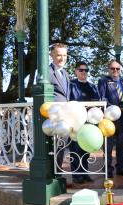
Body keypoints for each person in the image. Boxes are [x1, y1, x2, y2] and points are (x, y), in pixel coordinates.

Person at [98, 60, 123, 177]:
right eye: (112, 68)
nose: (115, 71)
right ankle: (108, 170)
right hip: (109, 120)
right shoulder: (103, 81)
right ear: (108, 69)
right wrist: (117, 109)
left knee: (122, 146)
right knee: (108, 147)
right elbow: (102, 99)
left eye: (117, 69)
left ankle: (121, 168)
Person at [69, 61, 100, 184]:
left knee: (86, 149)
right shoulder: (71, 85)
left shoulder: (92, 86)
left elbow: (97, 102)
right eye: (81, 70)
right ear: (76, 71)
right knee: (75, 149)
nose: (83, 72)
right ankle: (77, 175)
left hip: (89, 122)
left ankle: (85, 173)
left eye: (86, 70)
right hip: (75, 122)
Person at [49, 43, 70, 174]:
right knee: (54, 147)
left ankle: (59, 171)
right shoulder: (47, 72)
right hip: (53, 117)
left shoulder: (65, 73)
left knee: (62, 146)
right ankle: (53, 173)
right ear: (52, 55)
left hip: (65, 116)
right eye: (58, 55)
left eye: (64, 55)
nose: (62, 58)